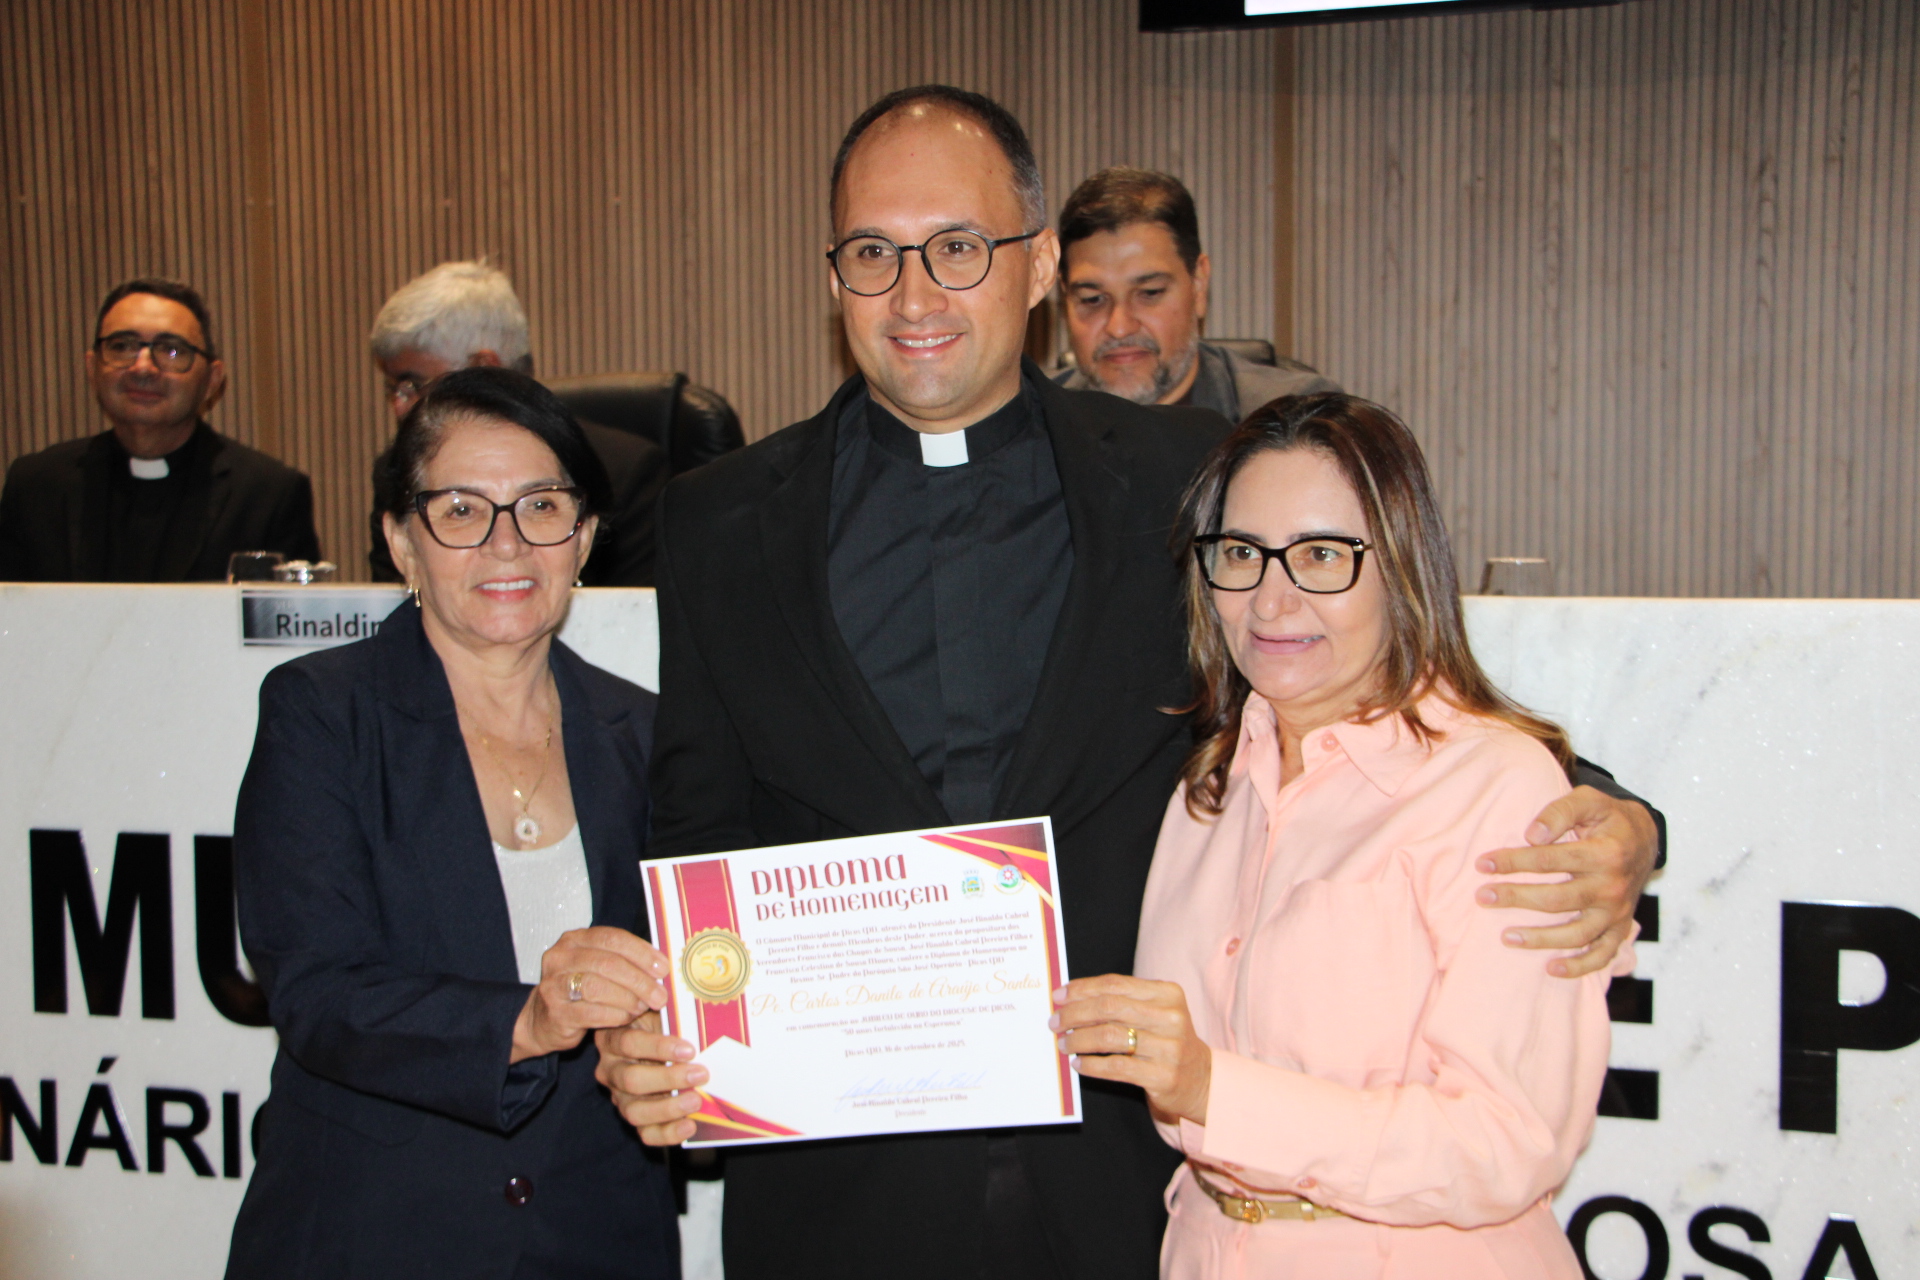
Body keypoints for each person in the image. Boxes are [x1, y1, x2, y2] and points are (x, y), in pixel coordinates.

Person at [596, 86, 1657, 1280]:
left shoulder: (1181, 480)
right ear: (833, 274)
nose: (915, 295)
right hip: (840, 1194)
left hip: (1129, 1186)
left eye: (959, 247)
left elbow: (1361, 673)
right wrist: (656, 1027)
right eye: (873, 254)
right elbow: (696, 832)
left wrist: (1620, 817)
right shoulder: (721, 522)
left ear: (1041, 263)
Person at [1055, 392, 1628, 1278]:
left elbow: (1505, 1142)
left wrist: (1213, 1088)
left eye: (1322, 555)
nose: (1271, 599)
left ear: (1400, 566)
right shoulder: (1208, 789)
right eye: (1241, 553)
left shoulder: (1496, 785)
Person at [225, 367, 679, 1279]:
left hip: (597, 1232)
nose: (507, 544)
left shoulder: (648, 732)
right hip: (374, 1232)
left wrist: (658, 1049)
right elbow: (316, 992)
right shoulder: (322, 713)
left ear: (584, 536)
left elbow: (689, 972)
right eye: (462, 511)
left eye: (541, 507)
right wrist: (529, 1018)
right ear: (402, 542)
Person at [365, 260, 668, 585]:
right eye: (461, 510)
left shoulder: (628, 472)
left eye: (541, 506)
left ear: (484, 367)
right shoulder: (398, 470)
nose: (399, 406)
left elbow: (634, 610)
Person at [0, 278, 321, 581]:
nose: (143, 367)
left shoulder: (267, 495)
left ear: (212, 380)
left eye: (171, 350)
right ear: (92, 368)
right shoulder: (35, 486)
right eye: (122, 346)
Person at [1053, 167, 1337, 420]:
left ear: (1199, 284)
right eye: (1092, 299)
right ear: (1065, 297)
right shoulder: (1036, 419)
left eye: (1149, 293)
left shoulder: (1297, 418)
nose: (1119, 327)